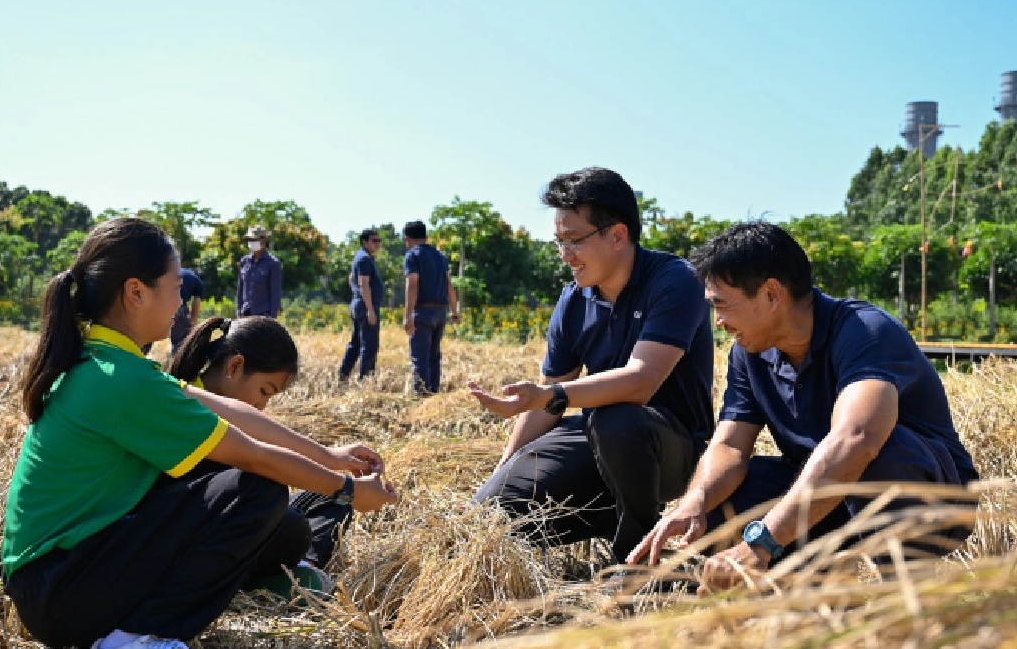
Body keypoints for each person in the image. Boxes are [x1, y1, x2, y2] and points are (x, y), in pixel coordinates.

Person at [2, 217, 398, 649]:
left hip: (56, 584)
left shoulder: (109, 364)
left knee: (267, 502)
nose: (181, 301)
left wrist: (329, 457)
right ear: (136, 292)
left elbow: (232, 410)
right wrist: (347, 491)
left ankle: (135, 632)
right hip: (62, 590)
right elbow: (253, 456)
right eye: (175, 287)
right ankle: (129, 643)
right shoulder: (120, 380)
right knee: (258, 490)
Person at [627, 221, 980, 591]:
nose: (718, 321)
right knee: (723, 500)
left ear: (771, 294)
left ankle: (905, 595)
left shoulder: (865, 331)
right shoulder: (749, 353)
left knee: (883, 454)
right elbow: (730, 445)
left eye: (722, 305)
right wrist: (694, 503)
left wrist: (762, 542)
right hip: (827, 498)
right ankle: (802, 592)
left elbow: (856, 439)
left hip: (928, 497)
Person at [469, 167, 715, 564]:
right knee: (493, 512)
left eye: (574, 240)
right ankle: (610, 516)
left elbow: (640, 381)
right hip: (599, 439)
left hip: (672, 448)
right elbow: (545, 404)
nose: (565, 255)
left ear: (617, 235)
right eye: (559, 242)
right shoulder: (574, 300)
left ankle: (633, 560)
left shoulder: (674, 281)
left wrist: (550, 396)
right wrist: (502, 471)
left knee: (616, 417)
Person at [169, 314, 360, 573]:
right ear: (234, 367)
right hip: (198, 533)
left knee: (331, 497)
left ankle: (306, 567)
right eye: (263, 392)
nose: (262, 406)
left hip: (235, 518)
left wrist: (336, 469)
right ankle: (292, 571)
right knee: (291, 524)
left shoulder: (235, 413)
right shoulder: (185, 407)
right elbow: (258, 463)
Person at [402, 220, 459, 395]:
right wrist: (454, 310)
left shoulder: (412, 256)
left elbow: (412, 284)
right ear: (426, 237)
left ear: (407, 239)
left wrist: (408, 315)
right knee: (434, 356)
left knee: (420, 357)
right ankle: (434, 393)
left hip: (422, 311)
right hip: (440, 311)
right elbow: (449, 285)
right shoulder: (440, 256)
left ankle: (421, 395)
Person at [338, 229, 385, 381]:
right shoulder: (364, 259)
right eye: (374, 241)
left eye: (379, 241)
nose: (377, 244)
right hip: (366, 306)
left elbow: (351, 278)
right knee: (369, 345)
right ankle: (365, 380)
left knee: (356, 343)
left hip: (359, 303)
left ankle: (343, 375)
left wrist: (356, 295)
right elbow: (364, 284)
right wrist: (370, 310)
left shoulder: (362, 257)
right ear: (364, 242)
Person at [236, 225, 282, 318]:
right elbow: (240, 289)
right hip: (245, 313)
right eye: (250, 240)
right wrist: (239, 311)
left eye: (254, 239)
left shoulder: (273, 263)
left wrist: (272, 317)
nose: (251, 242)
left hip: (263, 314)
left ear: (263, 240)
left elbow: (275, 293)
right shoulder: (244, 261)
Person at [169, 266, 205, 351]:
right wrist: (193, 323)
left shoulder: (181, 271)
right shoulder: (198, 282)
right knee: (181, 340)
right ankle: (177, 356)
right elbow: (196, 304)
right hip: (176, 305)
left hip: (158, 300)